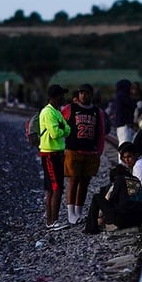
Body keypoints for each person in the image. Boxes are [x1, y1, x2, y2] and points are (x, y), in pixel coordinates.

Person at [60, 83, 105, 225]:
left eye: (86, 93)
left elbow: (101, 132)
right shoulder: (70, 108)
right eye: (81, 93)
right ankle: (70, 213)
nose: (83, 95)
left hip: (90, 151)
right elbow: (59, 122)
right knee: (73, 180)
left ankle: (79, 212)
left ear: (91, 94)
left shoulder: (97, 112)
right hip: (73, 150)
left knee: (85, 182)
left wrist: (99, 151)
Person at [39, 84, 71, 230]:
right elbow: (55, 133)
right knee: (55, 188)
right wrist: (62, 128)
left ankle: (51, 221)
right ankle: (53, 222)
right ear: (55, 96)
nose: (63, 97)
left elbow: (68, 129)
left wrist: (62, 128)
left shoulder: (56, 112)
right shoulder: (48, 112)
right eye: (61, 95)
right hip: (50, 153)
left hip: (56, 153)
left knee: (52, 188)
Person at [84, 163, 142, 235]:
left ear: (115, 177)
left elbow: (112, 199)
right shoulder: (135, 179)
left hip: (123, 219)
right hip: (138, 219)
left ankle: (91, 229)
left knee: (96, 197)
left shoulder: (119, 179)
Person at [112, 79, 136, 158]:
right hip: (124, 124)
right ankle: (123, 164)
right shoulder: (123, 96)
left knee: (123, 144)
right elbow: (133, 105)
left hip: (121, 124)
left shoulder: (119, 95)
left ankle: (122, 164)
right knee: (125, 145)